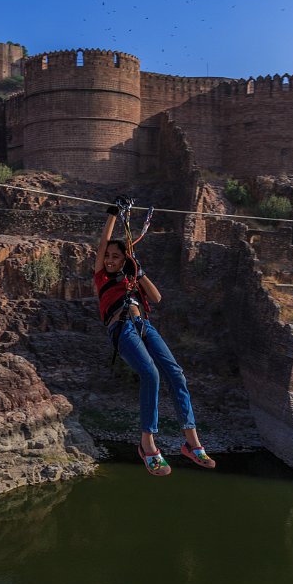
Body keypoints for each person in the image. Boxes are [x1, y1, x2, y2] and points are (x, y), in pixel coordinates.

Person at [93, 199, 216, 475]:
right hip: (122, 328)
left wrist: (139, 269)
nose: (111, 260)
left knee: (176, 374)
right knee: (151, 374)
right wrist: (114, 213)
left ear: (124, 260)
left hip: (145, 326)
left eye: (116, 257)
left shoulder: (132, 279)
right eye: (109, 257)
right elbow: (103, 244)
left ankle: (191, 441)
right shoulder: (102, 277)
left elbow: (157, 297)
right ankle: (147, 443)